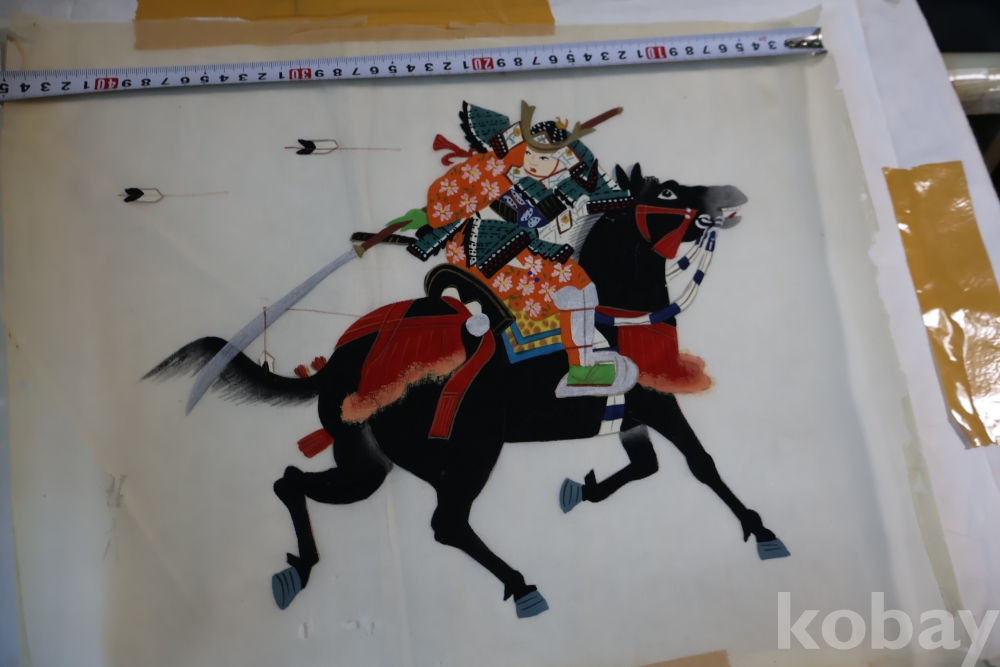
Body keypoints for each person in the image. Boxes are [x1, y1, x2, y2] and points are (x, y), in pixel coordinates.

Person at [392, 101, 637, 398]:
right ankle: (483, 324)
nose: (534, 162)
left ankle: (581, 366)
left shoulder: (554, 192)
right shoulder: (500, 173)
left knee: (580, 284)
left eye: (544, 159)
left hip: (520, 252)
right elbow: (461, 203)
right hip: (484, 250)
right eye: (531, 153)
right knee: (569, 282)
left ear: (561, 163)